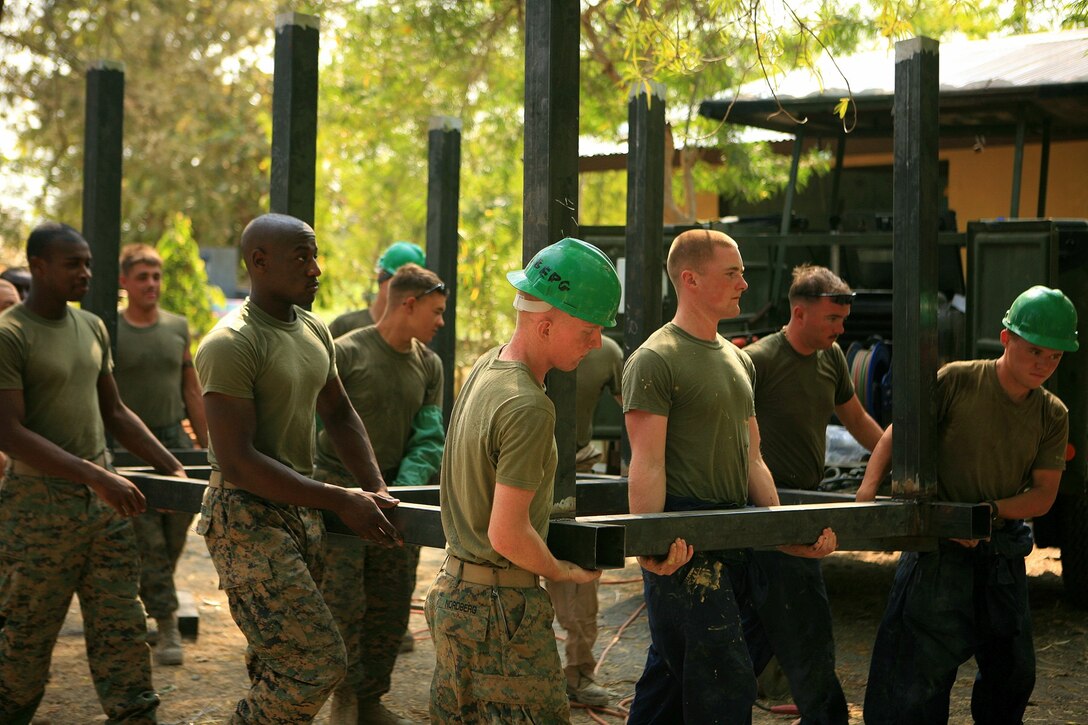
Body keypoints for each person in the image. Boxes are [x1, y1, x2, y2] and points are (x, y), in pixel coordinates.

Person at [194, 212, 403, 723]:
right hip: (245, 516)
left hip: (298, 512)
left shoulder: (311, 327)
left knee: (276, 662)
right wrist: (338, 498)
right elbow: (239, 462)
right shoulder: (231, 344)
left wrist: (374, 488)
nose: (316, 269)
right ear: (259, 262)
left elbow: (339, 412)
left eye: (315, 255)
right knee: (315, 663)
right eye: (302, 257)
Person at [623, 229, 837, 724]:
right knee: (725, 680)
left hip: (735, 532)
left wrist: (785, 533)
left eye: (741, 271)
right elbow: (647, 463)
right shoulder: (656, 359)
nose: (744, 282)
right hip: (683, 539)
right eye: (732, 272)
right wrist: (650, 547)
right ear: (690, 280)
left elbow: (753, 460)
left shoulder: (739, 358)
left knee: (674, 676)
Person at [856, 285, 1077, 724]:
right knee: (914, 678)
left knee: (1013, 674)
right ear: (1005, 338)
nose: (1044, 364)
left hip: (1000, 552)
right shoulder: (956, 379)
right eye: (1035, 351)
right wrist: (866, 495)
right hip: (938, 550)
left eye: (1054, 357)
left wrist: (986, 514)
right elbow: (898, 435)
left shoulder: (1053, 414)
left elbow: (1043, 495)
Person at [425, 237, 621, 722]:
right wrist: (560, 571)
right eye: (589, 330)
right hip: (500, 607)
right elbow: (507, 532)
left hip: (457, 592)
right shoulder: (529, 406)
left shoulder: (488, 369)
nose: (597, 344)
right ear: (547, 323)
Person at [0, 222, 186, 723]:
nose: (85, 273)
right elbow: (10, 433)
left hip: (100, 512)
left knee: (122, 628)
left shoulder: (93, 327)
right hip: (38, 509)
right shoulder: (10, 334)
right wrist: (95, 475)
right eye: (72, 264)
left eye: (87, 263)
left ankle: (134, 715)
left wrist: (172, 468)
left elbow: (116, 413)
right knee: (24, 640)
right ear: (38, 267)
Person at [743, 264, 885, 723]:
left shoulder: (833, 359)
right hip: (765, 509)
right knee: (803, 630)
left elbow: (858, 421)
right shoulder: (759, 361)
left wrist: (894, 459)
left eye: (843, 321)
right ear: (799, 313)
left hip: (809, 503)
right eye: (832, 320)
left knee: (768, 627)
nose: (841, 329)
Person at [316, 263, 448, 725]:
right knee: (342, 606)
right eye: (436, 311)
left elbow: (429, 435)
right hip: (342, 507)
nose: (441, 322)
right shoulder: (345, 354)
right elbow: (320, 428)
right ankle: (343, 702)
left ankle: (370, 700)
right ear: (407, 303)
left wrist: (395, 492)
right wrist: (354, 491)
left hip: (395, 505)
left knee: (391, 606)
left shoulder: (429, 365)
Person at [114, 243, 209, 667]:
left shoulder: (177, 326)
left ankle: (153, 602)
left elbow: (191, 388)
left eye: (156, 276)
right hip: (128, 445)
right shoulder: (110, 328)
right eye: (142, 277)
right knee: (147, 538)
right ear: (124, 282)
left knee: (171, 539)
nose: (151, 284)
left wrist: (207, 448)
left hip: (175, 443)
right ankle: (167, 623)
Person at [545, 333, 624, 708]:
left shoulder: (607, 352)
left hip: (578, 469)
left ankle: (578, 674)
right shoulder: (537, 341)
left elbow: (636, 413)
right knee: (520, 574)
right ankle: (531, 674)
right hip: (529, 466)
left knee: (582, 576)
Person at [329, 241, 426, 337]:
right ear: (381, 276)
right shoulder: (345, 326)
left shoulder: (414, 336)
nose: (406, 293)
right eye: (401, 284)